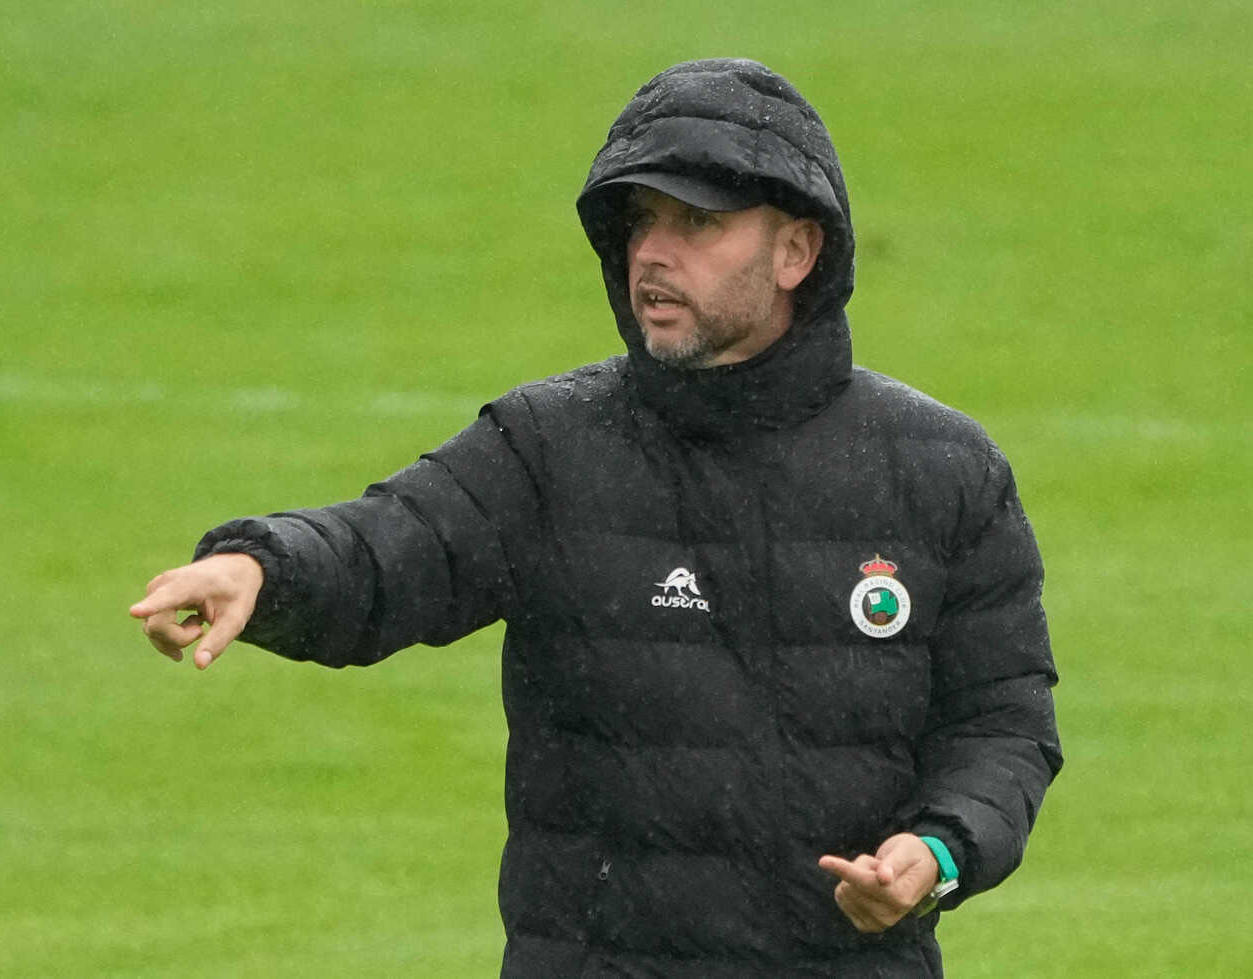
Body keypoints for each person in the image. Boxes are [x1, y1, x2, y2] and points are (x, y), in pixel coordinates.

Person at [131, 58, 1061, 976]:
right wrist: (262, 567)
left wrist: (938, 852)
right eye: (640, 222)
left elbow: (1003, 725)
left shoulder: (943, 472)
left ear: (795, 252)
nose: (652, 252)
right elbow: (390, 547)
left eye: (698, 222)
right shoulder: (548, 448)